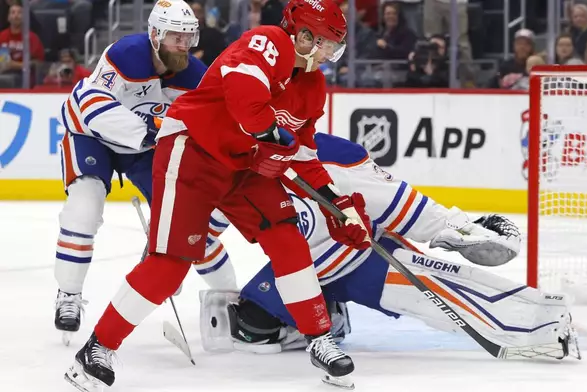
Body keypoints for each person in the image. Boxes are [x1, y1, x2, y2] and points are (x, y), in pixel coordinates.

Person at [63, 0, 371, 391]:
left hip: (245, 166)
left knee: (287, 239)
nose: (330, 54)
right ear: (304, 35)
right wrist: (271, 135)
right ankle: (96, 349)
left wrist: (337, 204)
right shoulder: (268, 40)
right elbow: (247, 99)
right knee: (170, 264)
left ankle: (318, 338)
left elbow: (303, 155)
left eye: (334, 45)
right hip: (193, 151)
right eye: (326, 43)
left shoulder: (312, 86)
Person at [198, 133, 580, 361]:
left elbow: (401, 204)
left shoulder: (328, 153)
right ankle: (328, 316)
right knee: (250, 325)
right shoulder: (234, 165)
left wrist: (456, 230)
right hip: (303, 271)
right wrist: (179, 250)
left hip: (361, 255)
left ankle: (542, 322)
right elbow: (204, 231)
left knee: (439, 294)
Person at [53, 0, 205, 346]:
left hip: (143, 146)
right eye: (174, 37)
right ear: (154, 35)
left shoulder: (196, 75)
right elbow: (91, 104)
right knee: (84, 207)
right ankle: (69, 294)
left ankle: (159, 259)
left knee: (178, 206)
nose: (183, 45)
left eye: (187, 37)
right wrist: (151, 128)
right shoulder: (126, 54)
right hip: (91, 135)